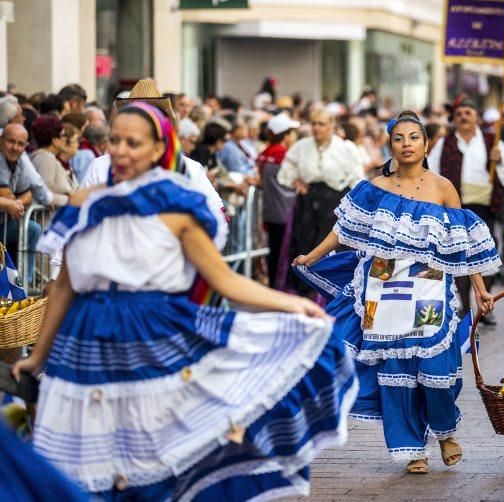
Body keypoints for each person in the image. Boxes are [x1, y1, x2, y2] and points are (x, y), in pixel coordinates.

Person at [13, 102, 357, 500]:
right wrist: (38, 356)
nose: (122, 151)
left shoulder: (179, 208)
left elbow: (224, 279)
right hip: (84, 342)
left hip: (150, 339)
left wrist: (291, 305)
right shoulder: (82, 203)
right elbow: (64, 286)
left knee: (147, 456)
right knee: (83, 464)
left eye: (134, 142)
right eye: (116, 140)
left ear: (160, 148)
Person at [293, 110, 498, 474]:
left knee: (437, 368)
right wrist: (313, 255)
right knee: (397, 371)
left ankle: (445, 431)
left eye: (413, 137)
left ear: (426, 143)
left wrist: (479, 288)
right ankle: (412, 449)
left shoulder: (443, 187)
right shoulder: (374, 188)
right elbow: (342, 230)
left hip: (431, 286)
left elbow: (462, 244)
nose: (406, 144)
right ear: (391, 145)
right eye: (399, 138)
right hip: (384, 289)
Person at [427, 97, 504, 326]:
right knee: (458, 254)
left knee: (483, 255)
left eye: (468, 112)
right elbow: (434, 171)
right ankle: (464, 305)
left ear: (476, 116)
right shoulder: (445, 143)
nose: (463, 116)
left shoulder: (492, 141)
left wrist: (498, 161)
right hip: (455, 206)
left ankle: (486, 306)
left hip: (484, 207)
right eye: (459, 113)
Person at [277, 109, 364, 294]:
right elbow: (286, 169)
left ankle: (329, 289)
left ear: (331, 126)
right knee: (304, 241)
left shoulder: (345, 147)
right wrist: (296, 180)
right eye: (314, 123)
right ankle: (304, 289)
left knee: (330, 244)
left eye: (322, 124)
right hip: (308, 200)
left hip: (335, 201)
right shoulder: (301, 146)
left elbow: (357, 177)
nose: (317, 128)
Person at [0, 123, 53, 284]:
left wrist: (15, 203)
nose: (15, 147)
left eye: (20, 143)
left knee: (32, 229)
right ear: (1, 140)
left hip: (5, 223)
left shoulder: (20, 162)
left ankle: (23, 283)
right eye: (11, 141)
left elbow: (29, 194)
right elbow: (4, 193)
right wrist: (8, 203)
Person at [257, 112, 299, 289]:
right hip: (286, 211)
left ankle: (275, 284)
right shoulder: (284, 155)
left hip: (270, 210)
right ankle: (281, 286)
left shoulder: (264, 154)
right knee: (284, 252)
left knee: (273, 251)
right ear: (286, 135)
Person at [29, 116, 75, 207]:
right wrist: (69, 199)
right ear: (54, 140)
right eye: (63, 135)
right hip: (45, 219)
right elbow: (43, 193)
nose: (66, 139)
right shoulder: (46, 158)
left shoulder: (48, 157)